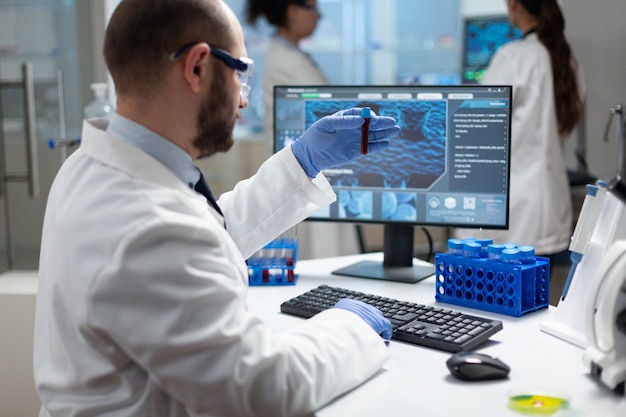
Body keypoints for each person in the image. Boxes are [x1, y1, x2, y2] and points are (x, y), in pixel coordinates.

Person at [33, 1, 401, 416]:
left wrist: (300, 163)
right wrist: (351, 328)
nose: (243, 101)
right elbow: (265, 390)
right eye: (240, 74)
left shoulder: (86, 168)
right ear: (198, 68)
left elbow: (204, 237)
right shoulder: (151, 224)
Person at [455, 0, 586, 257]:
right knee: (536, 295)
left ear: (513, 4)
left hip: (512, 214)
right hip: (550, 209)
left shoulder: (514, 57)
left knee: (492, 294)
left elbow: (477, 128)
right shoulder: (569, 61)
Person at [245, 0, 363, 259]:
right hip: (306, 171)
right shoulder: (285, 62)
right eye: (313, 7)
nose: (319, 16)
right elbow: (321, 113)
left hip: (313, 167)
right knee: (322, 255)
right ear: (293, 10)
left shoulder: (292, 55)